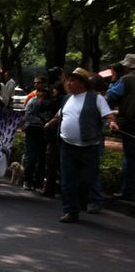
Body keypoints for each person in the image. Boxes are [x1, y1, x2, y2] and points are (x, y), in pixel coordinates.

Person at [45, 68, 118, 223]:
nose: (68, 83)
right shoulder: (67, 99)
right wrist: (51, 122)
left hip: (89, 146)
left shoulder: (96, 98)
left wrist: (112, 123)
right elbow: (60, 114)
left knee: (87, 179)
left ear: (83, 83)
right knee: (67, 180)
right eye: (68, 80)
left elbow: (108, 115)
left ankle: (80, 202)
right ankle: (70, 211)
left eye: (72, 80)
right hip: (67, 145)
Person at [105, 53, 135, 202]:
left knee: (131, 158)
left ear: (127, 67)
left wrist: (114, 78)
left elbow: (111, 97)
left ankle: (127, 192)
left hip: (131, 123)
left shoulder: (126, 79)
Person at [20, 86, 52, 191]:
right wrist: (41, 121)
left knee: (42, 158)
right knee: (31, 156)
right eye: (40, 92)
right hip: (32, 130)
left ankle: (38, 182)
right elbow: (27, 115)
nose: (42, 94)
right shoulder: (32, 101)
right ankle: (27, 180)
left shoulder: (50, 103)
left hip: (44, 131)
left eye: (44, 92)